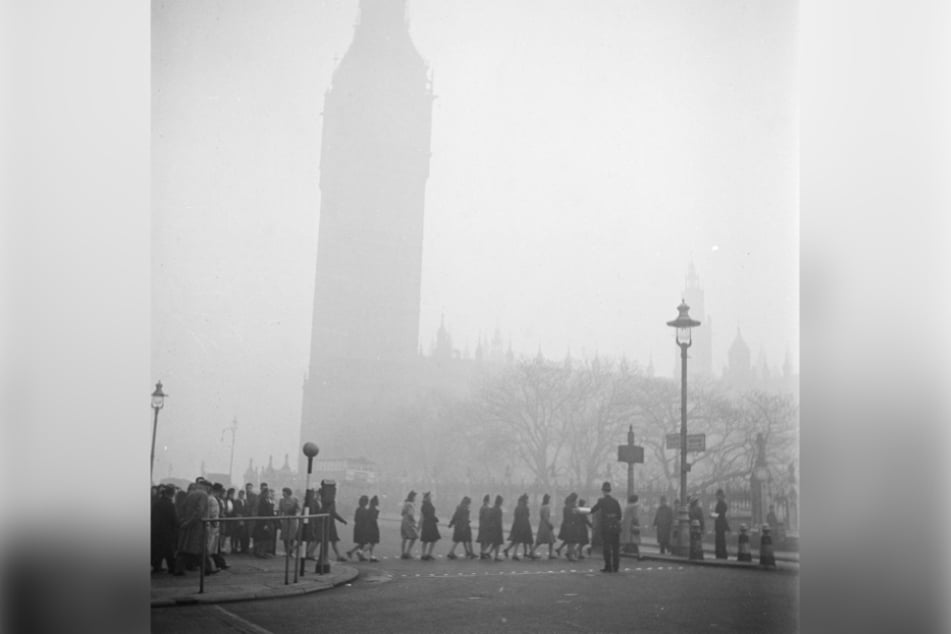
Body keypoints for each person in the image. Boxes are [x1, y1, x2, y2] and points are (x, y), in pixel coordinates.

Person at [174, 478, 215, 575]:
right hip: (198, 526)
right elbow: (199, 512)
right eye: (209, 488)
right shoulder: (203, 495)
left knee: (185, 548)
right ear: (206, 487)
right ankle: (208, 569)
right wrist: (189, 522)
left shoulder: (190, 494)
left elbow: (182, 508)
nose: (210, 490)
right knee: (202, 548)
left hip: (188, 526)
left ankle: (179, 569)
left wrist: (184, 522)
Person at [589, 482, 622, 573]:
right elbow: (619, 515)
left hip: (606, 526)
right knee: (616, 548)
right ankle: (616, 566)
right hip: (615, 526)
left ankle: (608, 566)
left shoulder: (602, 501)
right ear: (610, 490)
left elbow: (593, 510)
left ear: (603, 491)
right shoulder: (615, 501)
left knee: (607, 547)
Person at [318, 480, 348, 562]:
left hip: (327, 521)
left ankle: (338, 555)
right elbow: (333, 512)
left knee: (332, 540)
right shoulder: (330, 502)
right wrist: (342, 520)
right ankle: (310, 553)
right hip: (328, 522)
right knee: (321, 539)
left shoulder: (323, 499)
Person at [151, 485, 178, 574]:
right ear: (172, 494)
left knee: (157, 550)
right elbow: (174, 518)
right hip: (168, 531)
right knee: (169, 550)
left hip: (156, 530)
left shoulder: (157, 503)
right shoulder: (170, 505)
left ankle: (156, 566)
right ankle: (172, 567)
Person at [503, 493, 534, 560]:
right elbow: (527, 516)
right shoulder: (525, 507)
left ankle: (508, 550)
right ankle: (529, 553)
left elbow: (516, 516)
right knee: (527, 539)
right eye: (526, 499)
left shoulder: (517, 507)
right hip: (524, 525)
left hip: (518, 524)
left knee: (517, 540)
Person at [529, 493, 556, 559]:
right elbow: (546, 517)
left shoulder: (542, 506)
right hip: (546, 525)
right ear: (548, 500)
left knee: (540, 540)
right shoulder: (547, 507)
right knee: (551, 540)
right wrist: (550, 524)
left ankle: (532, 551)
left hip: (542, 524)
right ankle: (550, 554)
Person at [253, 484, 275, 558]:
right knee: (262, 537)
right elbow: (263, 512)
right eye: (268, 493)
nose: (269, 494)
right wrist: (265, 523)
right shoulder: (262, 501)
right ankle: (260, 552)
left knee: (266, 537)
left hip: (267, 521)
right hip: (263, 522)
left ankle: (263, 552)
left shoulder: (268, 501)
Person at [555, 492, 579, 560]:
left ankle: (568, 552)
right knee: (572, 541)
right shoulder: (572, 507)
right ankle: (571, 555)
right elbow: (575, 516)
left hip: (566, 525)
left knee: (569, 540)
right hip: (571, 525)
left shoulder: (566, 507)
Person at [278, 487, 301, 556]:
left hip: (293, 519)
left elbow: (299, 509)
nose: (283, 493)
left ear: (288, 493)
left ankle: (291, 551)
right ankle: (286, 551)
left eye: (284, 492)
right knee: (285, 536)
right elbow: (280, 510)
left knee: (291, 536)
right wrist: (280, 518)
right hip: (285, 519)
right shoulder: (281, 500)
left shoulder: (294, 500)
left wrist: (296, 514)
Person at [346, 495, 370, 561]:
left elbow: (355, 519)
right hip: (362, 528)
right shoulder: (365, 510)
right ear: (365, 502)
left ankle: (357, 555)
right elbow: (366, 520)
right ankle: (352, 552)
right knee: (363, 542)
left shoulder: (358, 509)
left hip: (357, 527)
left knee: (362, 543)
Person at [419, 492, 441, 560]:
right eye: (429, 496)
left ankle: (429, 554)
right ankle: (423, 554)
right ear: (426, 497)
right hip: (428, 523)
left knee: (433, 539)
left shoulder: (429, 504)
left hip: (431, 523)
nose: (430, 497)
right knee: (426, 540)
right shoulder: (424, 505)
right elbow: (425, 515)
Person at [400, 490, 419, 559]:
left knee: (404, 537)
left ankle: (403, 553)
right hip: (409, 521)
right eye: (415, 497)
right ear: (413, 497)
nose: (415, 498)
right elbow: (410, 514)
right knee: (414, 536)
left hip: (404, 520)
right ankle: (408, 552)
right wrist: (414, 520)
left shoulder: (405, 503)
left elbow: (402, 513)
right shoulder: (410, 504)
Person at [621, 494, 641, 558]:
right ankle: (636, 553)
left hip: (627, 525)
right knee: (634, 540)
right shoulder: (635, 506)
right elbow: (635, 517)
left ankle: (627, 551)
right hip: (632, 525)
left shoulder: (627, 506)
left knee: (629, 540)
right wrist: (637, 523)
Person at [486, 495, 505, 561]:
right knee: (498, 542)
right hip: (497, 527)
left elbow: (489, 518)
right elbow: (499, 520)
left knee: (495, 542)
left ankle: (488, 552)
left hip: (492, 527)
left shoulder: (492, 508)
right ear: (500, 502)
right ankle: (496, 557)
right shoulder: (499, 510)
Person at [712, 488, 730, 559]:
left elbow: (720, 515)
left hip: (720, 525)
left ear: (720, 496)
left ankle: (721, 555)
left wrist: (712, 515)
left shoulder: (721, 504)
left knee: (720, 540)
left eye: (717, 495)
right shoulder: (721, 503)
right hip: (720, 525)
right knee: (720, 540)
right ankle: (721, 554)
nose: (716, 497)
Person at [365, 495, 381, 562]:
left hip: (368, 526)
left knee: (371, 541)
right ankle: (361, 551)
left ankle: (371, 555)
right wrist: (377, 514)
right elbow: (374, 519)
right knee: (373, 541)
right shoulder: (375, 510)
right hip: (373, 526)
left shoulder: (369, 509)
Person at [232, 489, 247, 554]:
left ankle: (242, 548)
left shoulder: (245, 501)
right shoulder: (236, 501)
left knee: (242, 535)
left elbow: (247, 510)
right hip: (238, 520)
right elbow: (236, 510)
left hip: (244, 519)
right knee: (236, 535)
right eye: (241, 494)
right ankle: (235, 548)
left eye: (243, 494)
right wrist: (240, 518)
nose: (242, 495)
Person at [476, 494, 491, 559]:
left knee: (483, 540)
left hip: (482, 525)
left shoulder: (482, 507)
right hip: (485, 526)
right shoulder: (486, 508)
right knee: (487, 540)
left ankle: (482, 552)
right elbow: (487, 517)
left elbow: (480, 517)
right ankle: (483, 552)